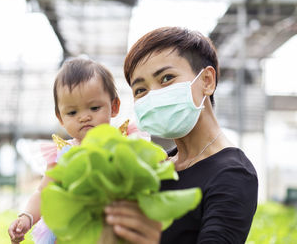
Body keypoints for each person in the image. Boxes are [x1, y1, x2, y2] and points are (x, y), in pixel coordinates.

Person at [104, 26, 258, 244]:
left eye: (167, 78)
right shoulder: (157, 166)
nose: (154, 96)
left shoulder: (233, 174)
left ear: (207, 81)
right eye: (141, 90)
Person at [8, 57, 147, 243]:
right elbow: (43, 192)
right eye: (72, 112)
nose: (84, 117)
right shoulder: (62, 154)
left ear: (114, 107)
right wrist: (27, 217)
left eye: (94, 108)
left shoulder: (125, 140)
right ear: (60, 117)